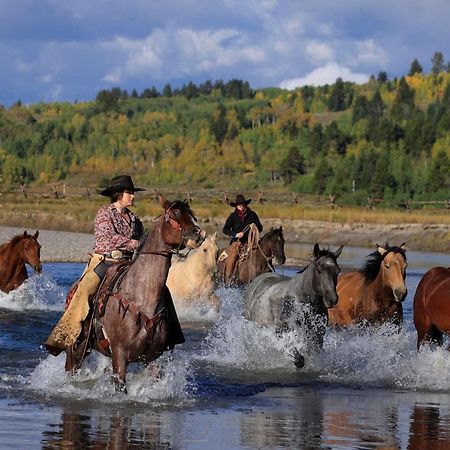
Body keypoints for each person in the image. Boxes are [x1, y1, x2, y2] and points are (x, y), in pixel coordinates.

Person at [45, 175, 145, 356]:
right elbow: (109, 239)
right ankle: (65, 337)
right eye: (129, 192)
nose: (132, 196)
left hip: (129, 263)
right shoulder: (104, 214)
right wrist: (135, 244)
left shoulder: (135, 220)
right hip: (105, 262)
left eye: (132, 193)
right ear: (117, 194)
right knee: (83, 292)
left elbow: (143, 240)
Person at [222, 194, 263, 284]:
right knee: (232, 256)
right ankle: (228, 277)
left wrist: (254, 227)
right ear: (236, 206)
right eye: (238, 204)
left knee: (262, 252)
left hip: (251, 242)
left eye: (242, 204)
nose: (240, 206)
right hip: (237, 242)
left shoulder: (252, 215)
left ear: (245, 204)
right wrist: (235, 234)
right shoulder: (233, 216)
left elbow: (260, 227)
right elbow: (225, 229)